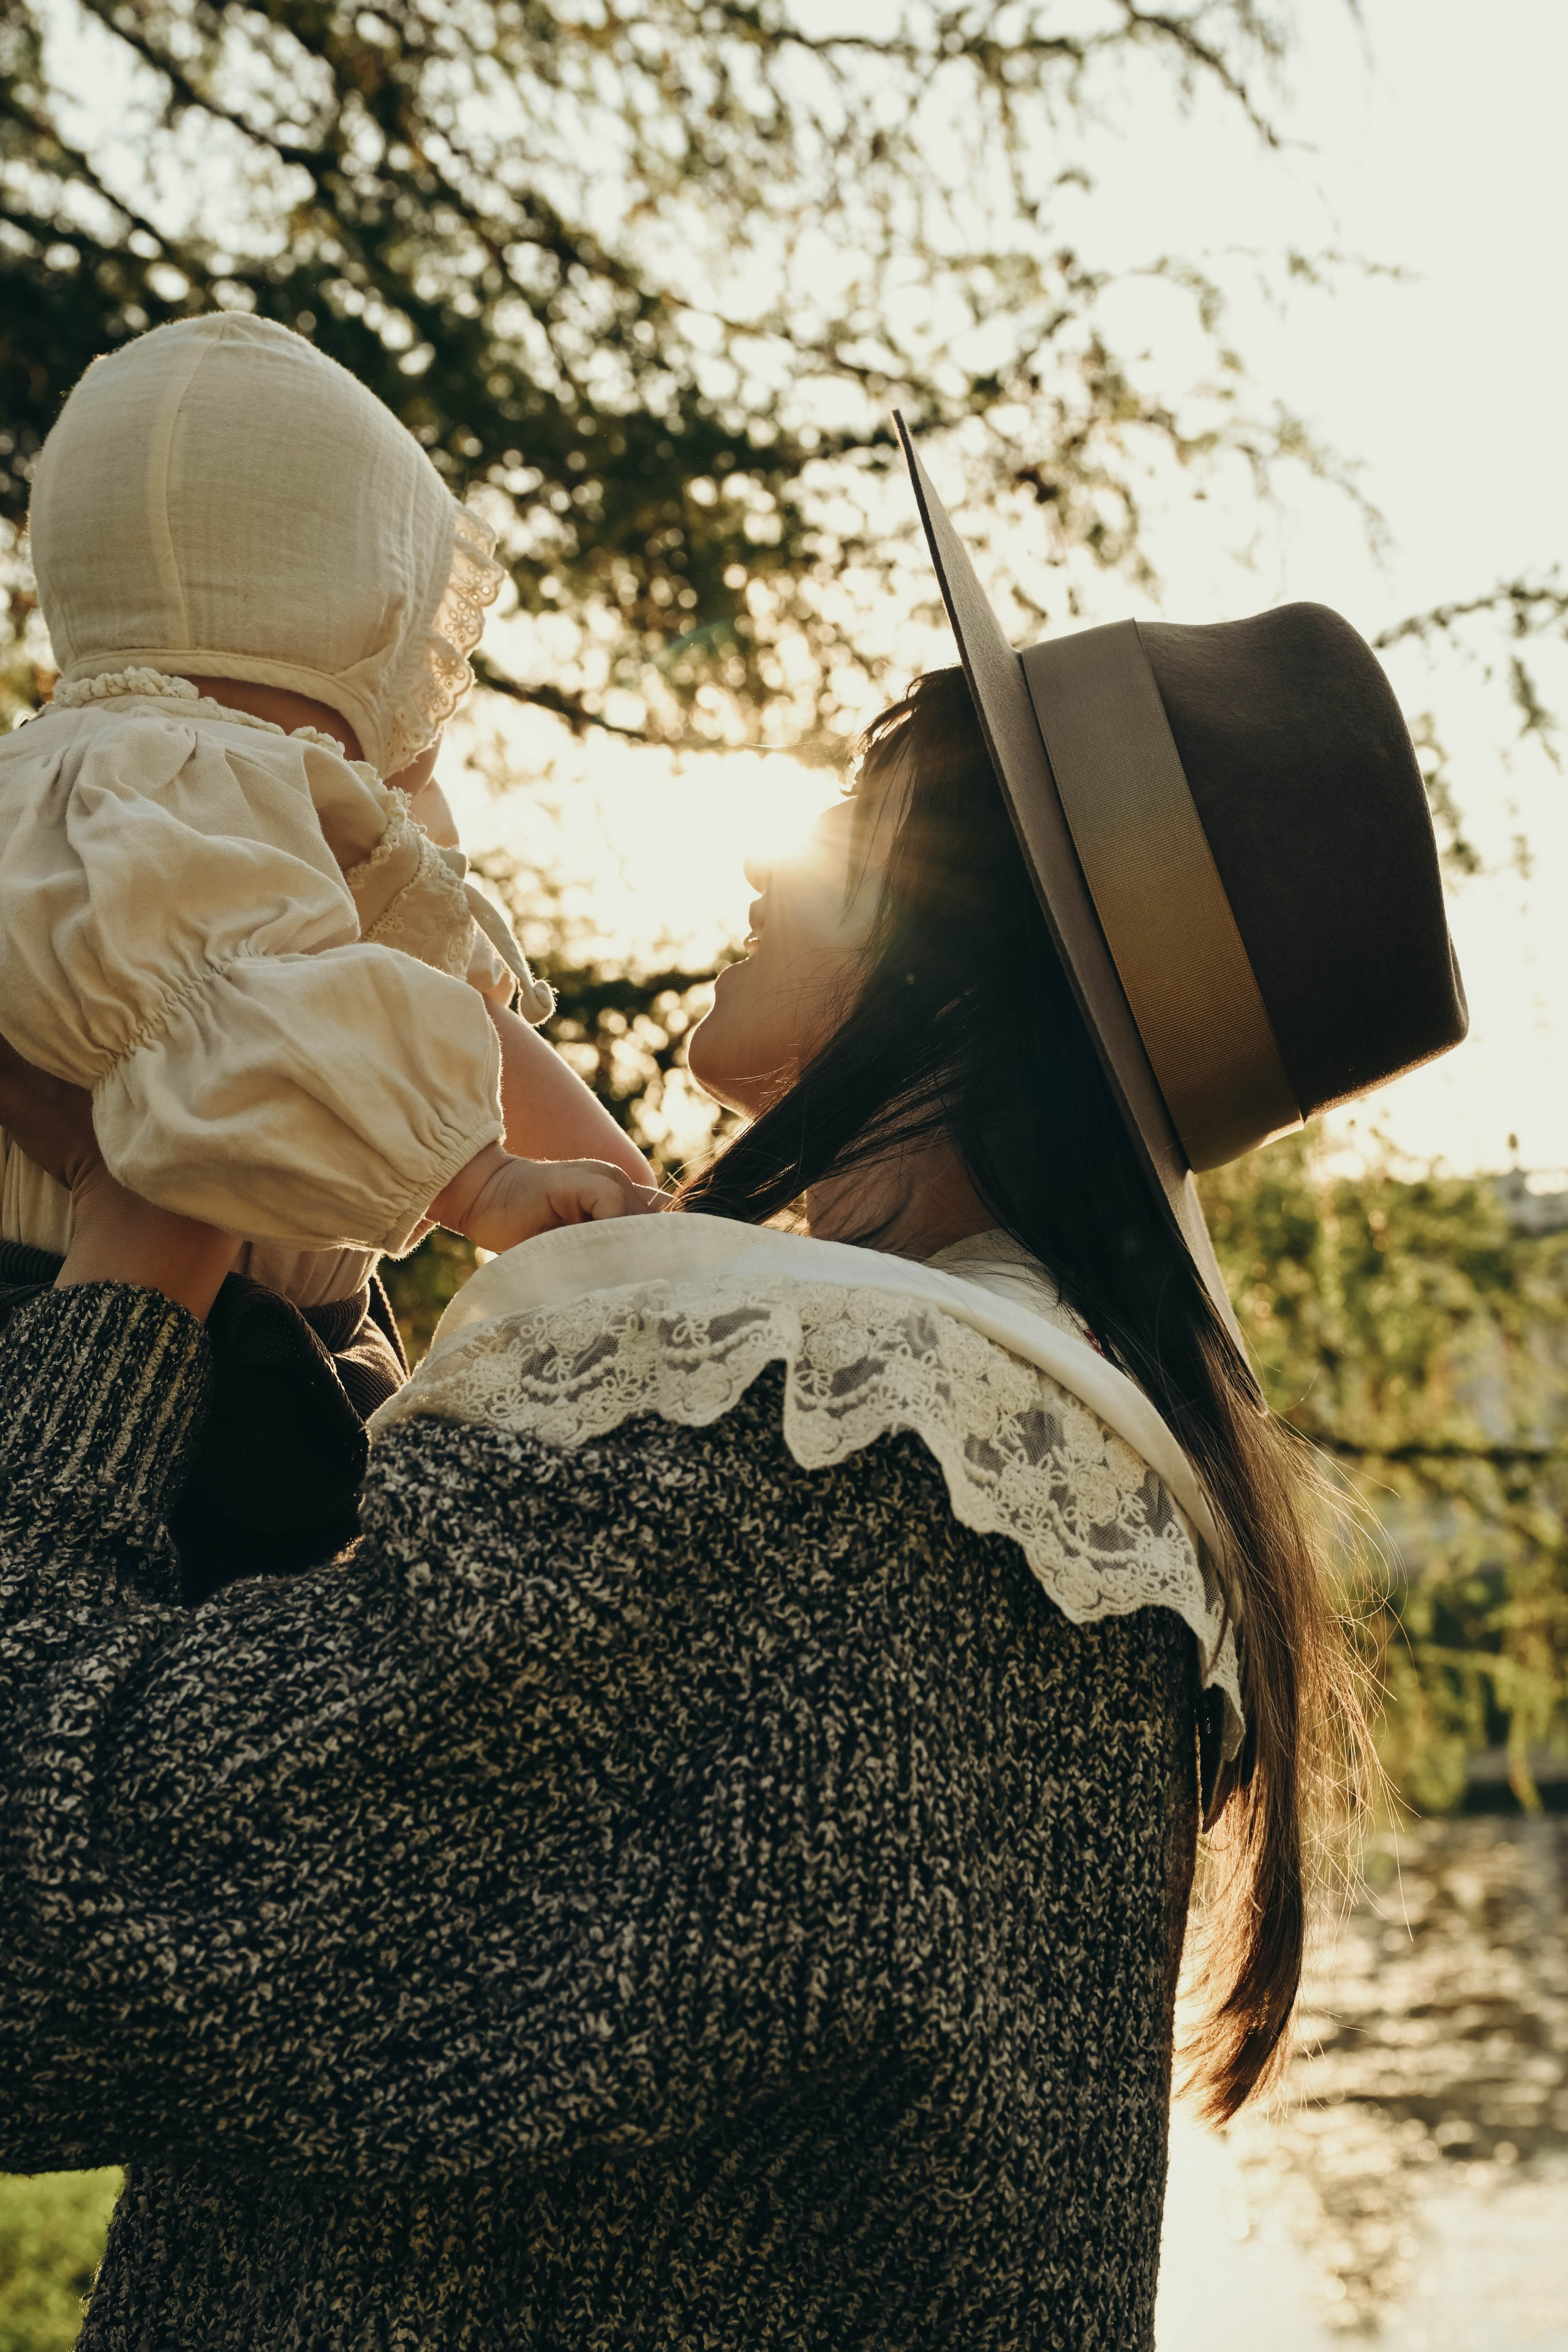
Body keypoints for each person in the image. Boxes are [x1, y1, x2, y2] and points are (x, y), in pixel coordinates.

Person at [0, 434, 1468, 2348]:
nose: (776, 855)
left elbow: (49, 1928)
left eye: (859, 816)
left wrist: (156, 1212)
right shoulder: (967, 1499)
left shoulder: (825, 1486)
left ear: (952, 960)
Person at [0, 312, 650, 1589]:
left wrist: (618, 1199)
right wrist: (484, 1188)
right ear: (354, 598)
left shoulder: (258, 793)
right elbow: (219, 1043)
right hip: (102, 1355)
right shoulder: (154, 785)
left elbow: (451, 1010)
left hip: (260, 1355)